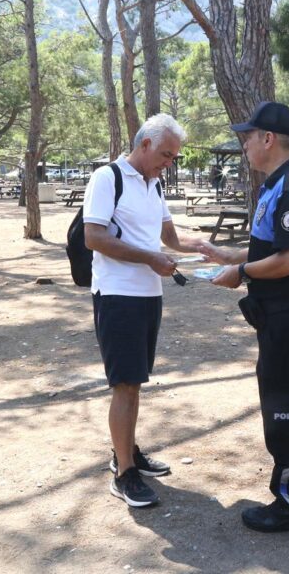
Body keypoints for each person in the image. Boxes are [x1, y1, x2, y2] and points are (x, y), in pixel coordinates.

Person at [198, 101, 289, 534]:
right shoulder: (283, 183)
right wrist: (229, 256)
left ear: (268, 139)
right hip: (284, 316)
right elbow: (273, 249)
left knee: (284, 410)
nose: (245, 146)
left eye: (249, 137)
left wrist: (241, 273)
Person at [83, 113, 204, 508]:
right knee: (125, 384)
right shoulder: (108, 178)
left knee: (135, 380)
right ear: (145, 144)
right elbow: (94, 237)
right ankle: (123, 474)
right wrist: (150, 259)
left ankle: (128, 452)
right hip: (118, 295)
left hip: (149, 295)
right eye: (167, 155)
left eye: (174, 157)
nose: (170, 163)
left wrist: (206, 248)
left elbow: (169, 236)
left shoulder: (154, 184)